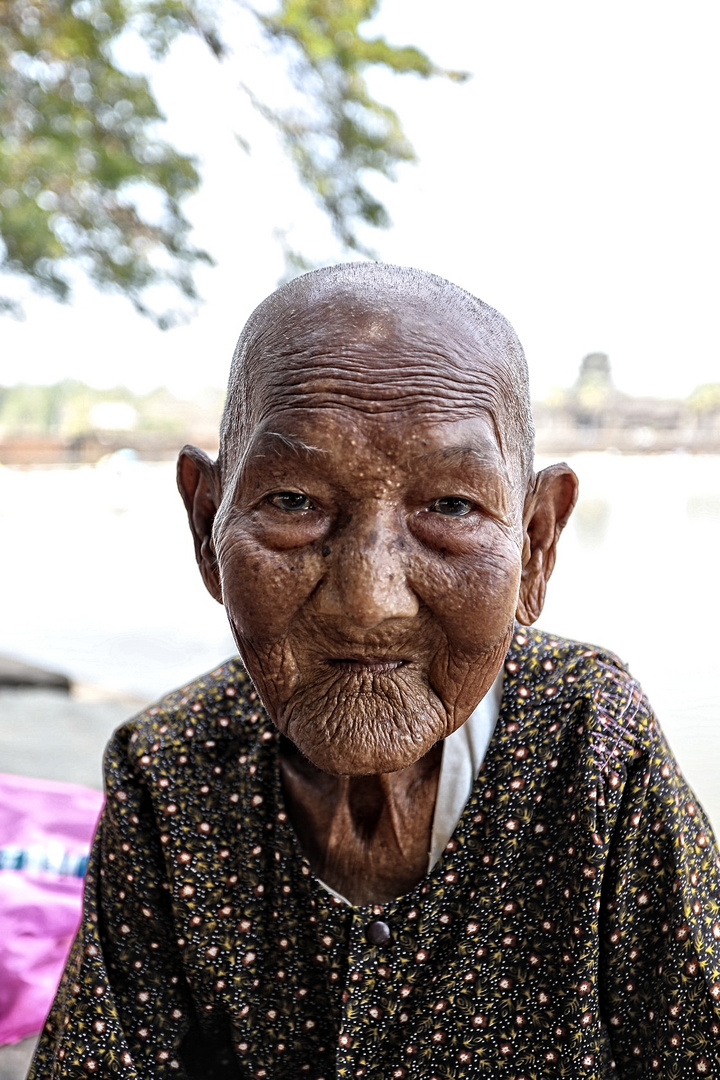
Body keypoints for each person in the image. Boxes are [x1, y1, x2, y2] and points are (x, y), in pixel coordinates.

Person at [30, 264, 720, 1079]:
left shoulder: (592, 741)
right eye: (293, 501)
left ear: (536, 543)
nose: (370, 603)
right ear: (207, 523)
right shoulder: (169, 769)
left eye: (452, 507)